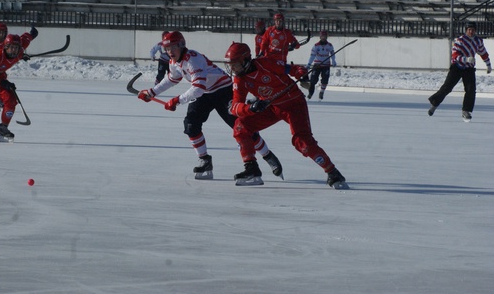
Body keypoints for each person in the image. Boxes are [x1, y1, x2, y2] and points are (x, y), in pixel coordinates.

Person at [137, 31, 283, 181]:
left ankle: (267, 155)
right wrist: (152, 92)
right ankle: (205, 160)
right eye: (167, 49)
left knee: (241, 128)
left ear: (181, 45)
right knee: (191, 125)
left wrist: (177, 100)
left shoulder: (193, 59)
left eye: (173, 47)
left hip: (222, 90)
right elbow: (172, 78)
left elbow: (198, 88)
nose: (170, 52)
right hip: (205, 93)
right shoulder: (173, 62)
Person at [224, 42, 348, 188]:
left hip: (293, 104)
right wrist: (252, 108)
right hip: (271, 107)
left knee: (302, 142)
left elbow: (291, 68)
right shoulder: (240, 79)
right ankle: (252, 169)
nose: (232, 68)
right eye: (230, 65)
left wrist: (301, 74)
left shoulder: (265, 63)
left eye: (235, 64)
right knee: (241, 126)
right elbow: (235, 107)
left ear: (246, 60)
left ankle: (332, 172)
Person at [428, 21, 491, 122]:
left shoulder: (478, 41)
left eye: (473, 30)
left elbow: (483, 53)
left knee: (471, 90)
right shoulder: (460, 40)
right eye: (469, 29)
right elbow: (455, 55)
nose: (471, 31)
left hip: (469, 69)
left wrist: (488, 64)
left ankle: (466, 111)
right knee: (447, 88)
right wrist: (465, 59)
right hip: (457, 67)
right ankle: (434, 104)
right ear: (466, 30)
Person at [306, 30, 337, 100]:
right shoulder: (316, 46)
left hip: (326, 65)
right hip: (317, 65)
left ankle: (321, 92)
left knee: (325, 80)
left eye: (325, 36)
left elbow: (332, 54)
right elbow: (312, 56)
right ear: (320, 37)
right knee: (313, 80)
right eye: (322, 36)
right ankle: (310, 93)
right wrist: (309, 64)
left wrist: (334, 61)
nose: (323, 38)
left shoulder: (329, 45)